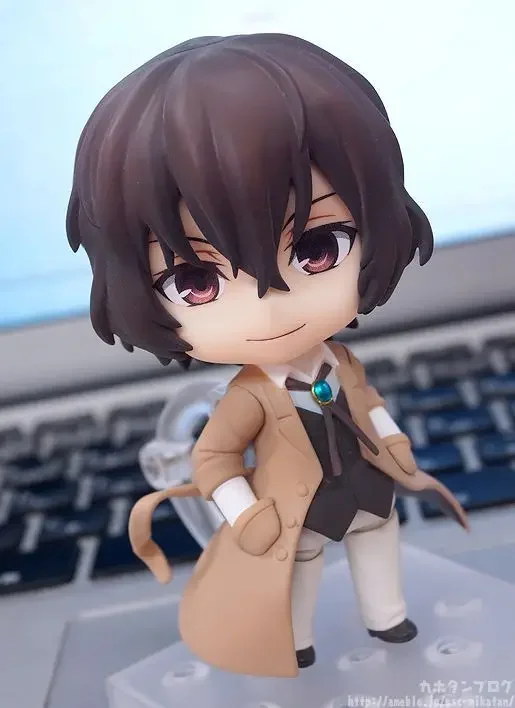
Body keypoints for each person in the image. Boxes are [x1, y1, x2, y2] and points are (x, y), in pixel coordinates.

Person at [67, 33, 468, 678]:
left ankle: (387, 616)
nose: (270, 309)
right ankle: (296, 640)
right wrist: (244, 512)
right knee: (298, 572)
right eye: (196, 282)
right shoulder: (251, 396)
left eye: (317, 249)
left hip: (364, 487)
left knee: (378, 539)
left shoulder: (340, 364)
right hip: (295, 511)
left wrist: (392, 441)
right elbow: (213, 459)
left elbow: (368, 404)